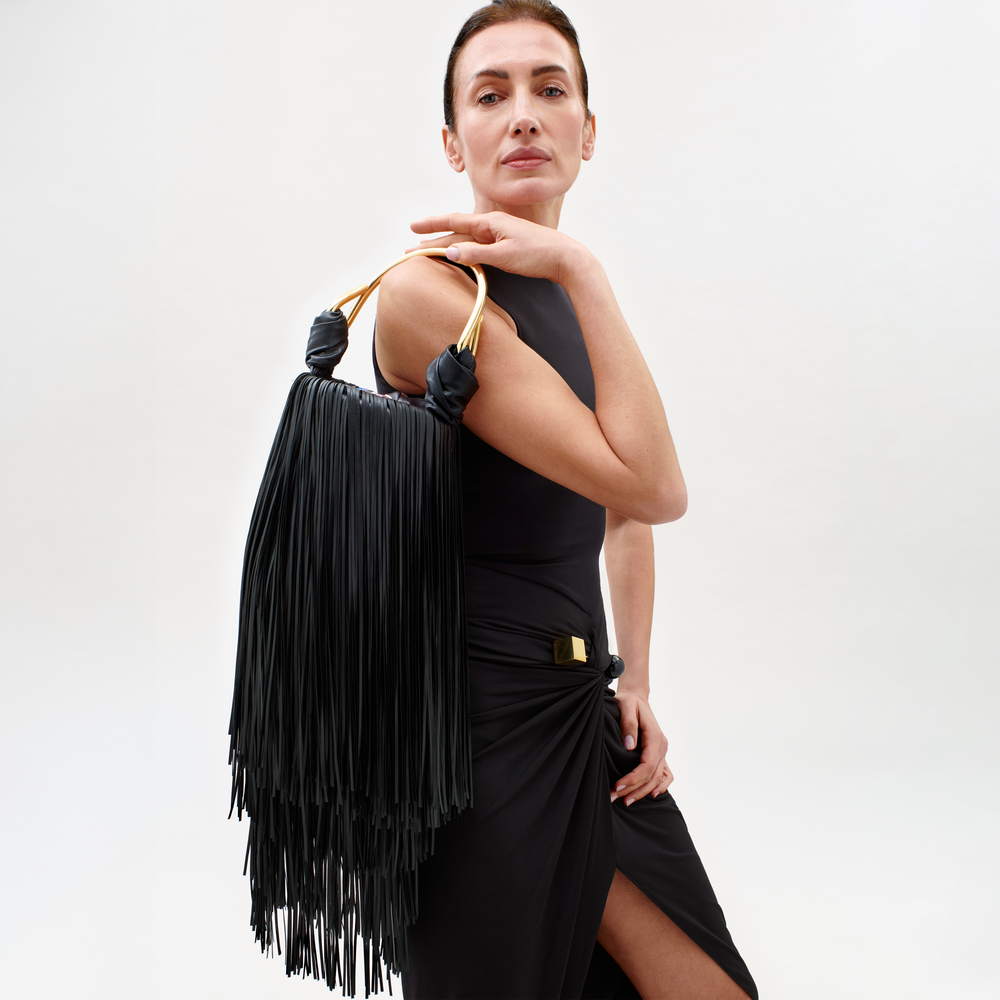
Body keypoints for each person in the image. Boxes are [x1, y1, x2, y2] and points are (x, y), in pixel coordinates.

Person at [374, 2, 758, 997]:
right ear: (453, 141)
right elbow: (655, 486)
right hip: (472, 732)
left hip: (573, 707)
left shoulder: (563, 288)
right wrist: (583, 269)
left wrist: (631, 679)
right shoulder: (428, 299)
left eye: (551, 89)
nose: (524, 115)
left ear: (588, 130)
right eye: (491, 95)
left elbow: (623, 512)